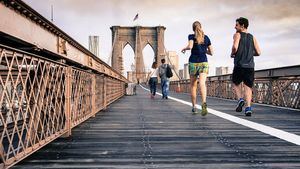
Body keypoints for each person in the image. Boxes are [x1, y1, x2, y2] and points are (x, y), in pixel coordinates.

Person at [230, 17, 261, 116]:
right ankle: (248, 108)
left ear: (242, 26)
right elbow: (259, 52)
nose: (235, 27)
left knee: (235, 83)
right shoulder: (253, 37)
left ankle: (240, 100)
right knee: (248, 87)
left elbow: (235, 47)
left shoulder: (237, 35)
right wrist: (250, 54)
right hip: (250, 66)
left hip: (239, 65)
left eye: (236, 25)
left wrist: (232, 53)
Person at [181, 21, 213, 116]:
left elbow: (190, 46)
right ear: (201, 27)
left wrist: (184, 48)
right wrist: (204, 50)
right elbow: (211, 52)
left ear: (193, 28)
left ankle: (194, 107)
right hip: (203, 62)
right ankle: (204, 104)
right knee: (202, 83)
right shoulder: (206, 38)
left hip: (193, 63)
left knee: (193, 86)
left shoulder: (191, 36)